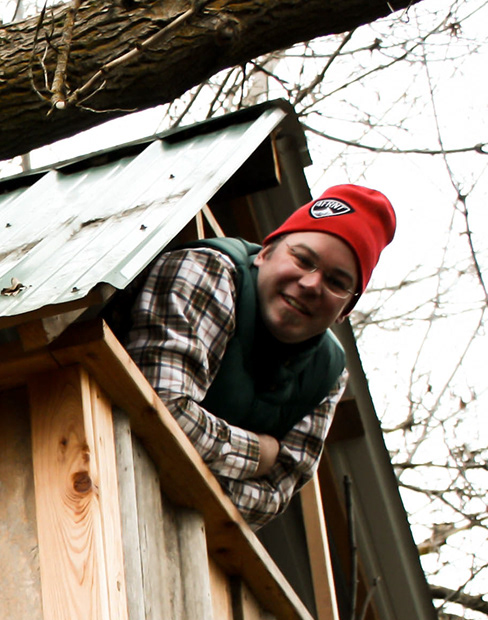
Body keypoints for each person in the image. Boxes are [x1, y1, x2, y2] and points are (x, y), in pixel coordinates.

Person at [118, 184, 395, 528]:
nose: (311, 284)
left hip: (165, 533)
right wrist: (261, 454)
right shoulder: (210, 271)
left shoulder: (329, 372)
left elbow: (272, 498)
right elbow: (160, 409)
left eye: (337, 282)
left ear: (345, 311)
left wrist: (194, 475)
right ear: (265, 252)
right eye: (303, 259)